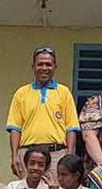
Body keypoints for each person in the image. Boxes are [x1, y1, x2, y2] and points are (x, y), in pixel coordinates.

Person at [5, 46, 79, 174]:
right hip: (28, 154)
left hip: (57, 155)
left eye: (48, 64)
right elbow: (15, 128)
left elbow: (71, 128)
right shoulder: (21, 93)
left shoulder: (64, 92)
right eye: (40, 64)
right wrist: (15, 155)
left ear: (55, 67)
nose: (44, 68)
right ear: (33, 67)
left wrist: (69, 156)